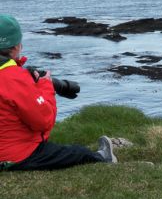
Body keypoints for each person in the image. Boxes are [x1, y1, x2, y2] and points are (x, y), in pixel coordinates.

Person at [0, 14, 117, 171]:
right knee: (77, 152)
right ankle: (103, 158)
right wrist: (46, 86)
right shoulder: (14, 78)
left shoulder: (15, 75)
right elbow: (43, 120)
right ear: (15, 48)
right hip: (14, 157)